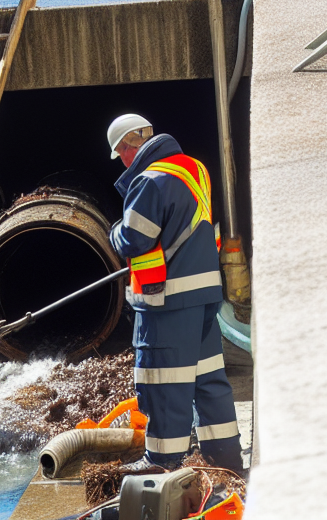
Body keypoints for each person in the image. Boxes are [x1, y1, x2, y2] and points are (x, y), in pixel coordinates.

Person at [106, 113, 243, 476]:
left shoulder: (150, 181)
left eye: (120, 153)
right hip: (203, 296)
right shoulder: (193, 168)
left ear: (126, 148)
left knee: (163, 383)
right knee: (208, 380)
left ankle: (162, 464)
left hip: (166, 301)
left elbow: (134, 238)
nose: (122, 161)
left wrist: (113, 231)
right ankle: (225, 463)